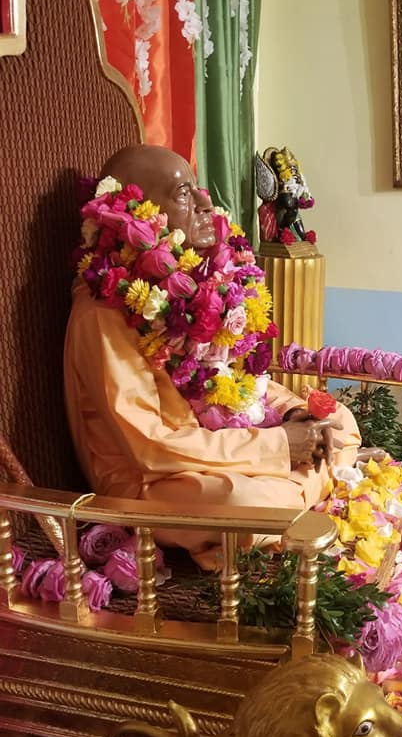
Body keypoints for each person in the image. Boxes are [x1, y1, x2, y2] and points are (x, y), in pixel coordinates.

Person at [63, 144, 360, 569]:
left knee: (339, 422)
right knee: (245, 502)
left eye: (197, 188)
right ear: (139, 216)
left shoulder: (195, 285)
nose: (206, 203)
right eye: (184, 193)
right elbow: (150, 447)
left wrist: (294, 416)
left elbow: (238, 384)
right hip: (154, 481)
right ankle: (301, 492)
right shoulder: (104, 312)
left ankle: (290, 496)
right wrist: (279, 446)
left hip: (218, 446)